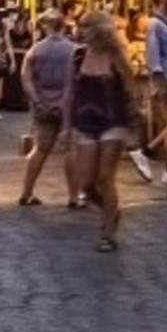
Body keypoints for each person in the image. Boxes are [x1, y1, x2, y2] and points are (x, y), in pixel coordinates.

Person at [63, 13, 140, 253]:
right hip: (84, 121)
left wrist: (134, 129)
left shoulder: (116, 57)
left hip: (112, 121)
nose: (80, 31)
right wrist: (66, 127)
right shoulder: (77, 56)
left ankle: (108, 233)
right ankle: (111, 210)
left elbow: (130, 93)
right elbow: (69, 93)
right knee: (86, 184)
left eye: (86, 27)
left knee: (106, 177)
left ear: (99, 30)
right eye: (80, 26)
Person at [16, 11, 81, 208]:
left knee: (40, 149)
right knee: (70, 149)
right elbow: (80, 79)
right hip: (68, 104)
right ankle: (73, 197)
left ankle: (26, 193)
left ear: (45, 27)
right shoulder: (74, 50)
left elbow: (25, 78)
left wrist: (36, 99)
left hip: (43, 103)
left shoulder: (35, 50)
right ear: (64, 26)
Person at [139, 0, 167, 184]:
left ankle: (148, 152)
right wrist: (158, 81)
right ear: (161, 0)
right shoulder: (155, 25)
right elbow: (153, 56)